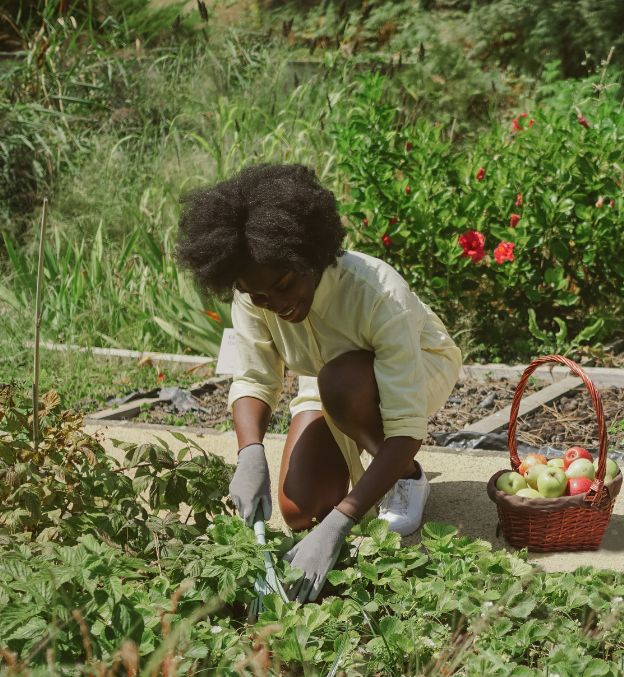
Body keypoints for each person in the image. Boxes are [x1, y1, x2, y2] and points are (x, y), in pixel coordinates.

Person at [176, 164, 462, 602]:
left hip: (417, 367)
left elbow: (405, 425)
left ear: (309, 255)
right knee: (299, 510)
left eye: (286, 285)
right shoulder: (254, 293)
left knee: (342, 383)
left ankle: (406, 478)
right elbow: (253, 377)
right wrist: (250, 454)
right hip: (326, 379)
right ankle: (361, 465)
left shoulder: (378, 293)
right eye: (262, 297)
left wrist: (341, 523)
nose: (278, 304)